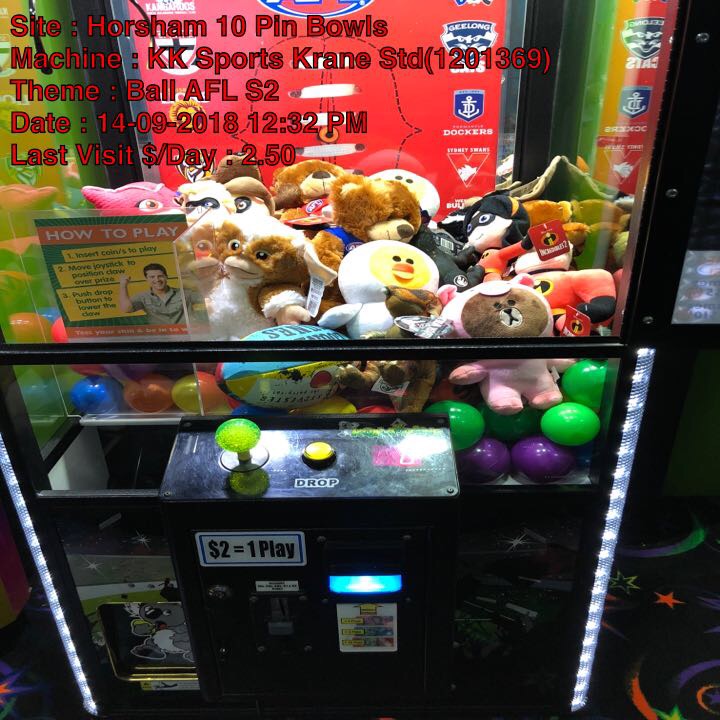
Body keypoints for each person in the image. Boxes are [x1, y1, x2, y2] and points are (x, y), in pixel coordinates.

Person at [118, 263, 202, 326]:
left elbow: (205, 297)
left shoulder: (185, 293)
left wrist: (195, 278)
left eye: (160, 276)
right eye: (152, 277)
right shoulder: (142, 297)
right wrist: (123, 285)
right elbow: (126, 309)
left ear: (166, 277)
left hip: (187, 336)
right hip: (160, 338)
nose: (157, 279)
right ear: (147, 279)